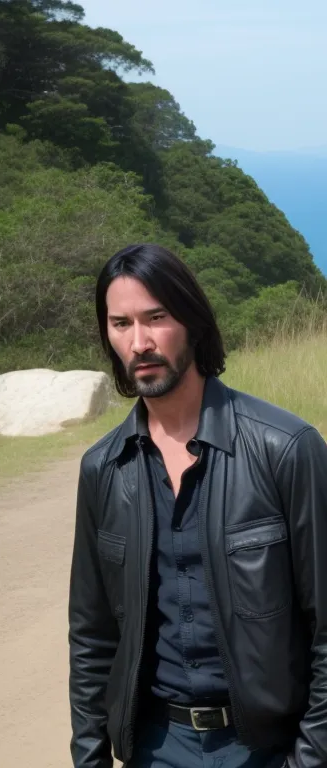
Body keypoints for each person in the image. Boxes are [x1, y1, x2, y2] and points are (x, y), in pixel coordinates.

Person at [68, 243, 327, 768]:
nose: (139, 342)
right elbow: (92, 638)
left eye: (156, 318)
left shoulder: (287, 449)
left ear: (191, 320)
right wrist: (90, 759)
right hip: (155, 746)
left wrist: (310, 757)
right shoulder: (104, 469)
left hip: (269, 751)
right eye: (120, 324)